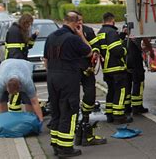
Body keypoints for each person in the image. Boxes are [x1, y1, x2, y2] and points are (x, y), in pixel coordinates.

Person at [44, 12, 92, 157]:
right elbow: (89, 52)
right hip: (68, 78)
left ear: (64, 21)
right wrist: (81, 35)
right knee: (69, 111)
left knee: (56, 111)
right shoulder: (73, 38)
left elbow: (46, 59)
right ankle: (66, 148)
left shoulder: (51, 37)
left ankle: (56, 145)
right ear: (77, 23)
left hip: (52, 77)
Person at [90, 12, 132, 124]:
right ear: (112, 21)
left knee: (112, 91)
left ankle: (110, 114)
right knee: (121, 91)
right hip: (116, 68)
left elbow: (108, 46)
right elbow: (116, 50)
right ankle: (119, 116)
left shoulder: (101, 32)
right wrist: (125, 51)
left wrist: (122, 36)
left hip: (107, 69)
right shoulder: (111, 32)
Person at [73, 12, 107, 146]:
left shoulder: (88, 31)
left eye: (81, 20)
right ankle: (79, 126)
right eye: (77, 21)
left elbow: (94, 48)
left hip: (87, 69)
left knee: (90, 94)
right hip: (74, 70)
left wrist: (96, 52)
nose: (79, 23)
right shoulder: (69, 33)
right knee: (72, 97)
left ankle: (85, 118)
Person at [4, 13, 38, 112]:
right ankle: (14, 110)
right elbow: (15, 50)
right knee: (17, 87)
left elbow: (27, 46)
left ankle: (15, 110)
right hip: (15, 63)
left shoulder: (20, 30)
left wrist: (34, 36)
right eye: (28, 23)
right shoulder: (15, 31)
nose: (29, 26)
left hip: (19, 62)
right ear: (24, 22)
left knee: (20, 87)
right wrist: (20, 64)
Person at [0, 59, 43, 123]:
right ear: (6, 87)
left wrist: (41, 120)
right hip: (6, 64)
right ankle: (4, 122)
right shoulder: (1, 82)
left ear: (20, 88)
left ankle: (30, 121)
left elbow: (35, 102)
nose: (12, 96)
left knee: (28, 100)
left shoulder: (27, 82)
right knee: (1, 100)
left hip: (25, 65)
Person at [126, 36, 154, 114]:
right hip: (135, 60)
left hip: (127, 59)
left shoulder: (127, 32)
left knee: (128, 84)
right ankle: (137, 107)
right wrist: (150, 51)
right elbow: (145, 40)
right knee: (138, 82)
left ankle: (127, 107)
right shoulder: (137, 31)